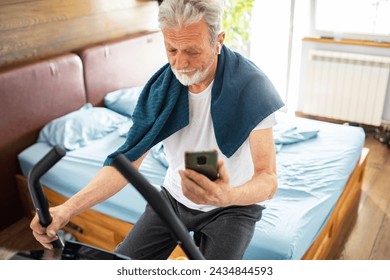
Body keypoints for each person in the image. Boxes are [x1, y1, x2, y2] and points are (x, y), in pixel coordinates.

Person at [30, 0, 284, 260]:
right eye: (171, 49)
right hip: (175, 197)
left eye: (192, 51)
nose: (180, 62)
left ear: (218, 40)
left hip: (233, 205)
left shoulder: (252, 85)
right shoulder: (160, 91)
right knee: (124, 265)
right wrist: (68, 209)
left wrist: (225, 195)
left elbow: (268, 179)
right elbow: (125, 161)